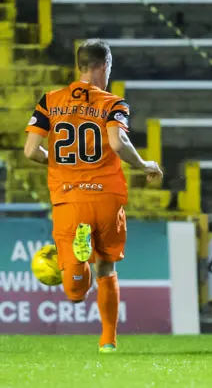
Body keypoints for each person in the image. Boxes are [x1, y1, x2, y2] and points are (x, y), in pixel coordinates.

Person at [23, 39, 163, 352]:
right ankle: (108, 342)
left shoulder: (50, 100)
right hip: (106, 196)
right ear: (102, 66)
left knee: (74, 292)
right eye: (109, 68)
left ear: (79, 65)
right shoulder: (113, 103)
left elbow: (31, 151)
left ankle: (79, 253)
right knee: (108, 268)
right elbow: (117, 143)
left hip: (68, 198)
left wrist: (59, 160)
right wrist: (144, 165)